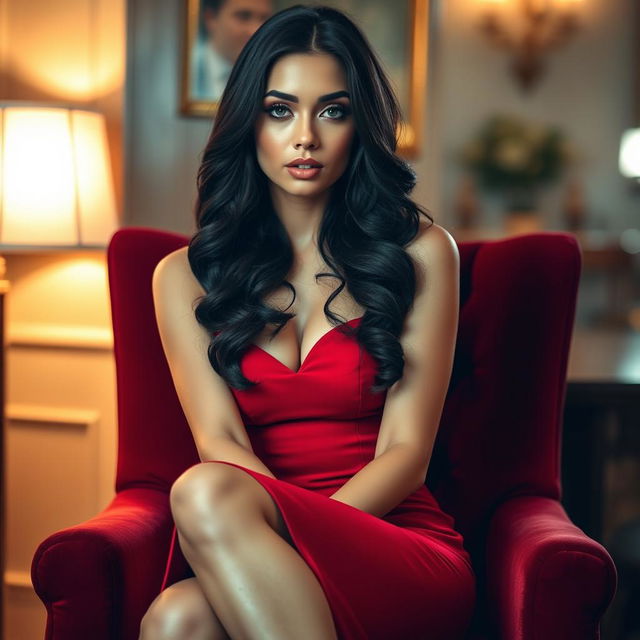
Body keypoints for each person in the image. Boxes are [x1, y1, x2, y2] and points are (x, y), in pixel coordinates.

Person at [141, 4, 476, 639]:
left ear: (359, 124)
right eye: (279, 110)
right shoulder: (180, 277)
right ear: (250, 122)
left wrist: (305, 539)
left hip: (393, 540)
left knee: (202, 492)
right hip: (249, 534)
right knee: (175, 619)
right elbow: (223, 444)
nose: (305, 137)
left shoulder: (424, 254)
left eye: (333, 110)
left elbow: (408, 454)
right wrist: (282, 544)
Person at [191, 0, 273, 102]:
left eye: (264, 18)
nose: (256, 30)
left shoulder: (274, 74)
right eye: (244, 16)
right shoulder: (183, 72)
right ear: (210, 18)